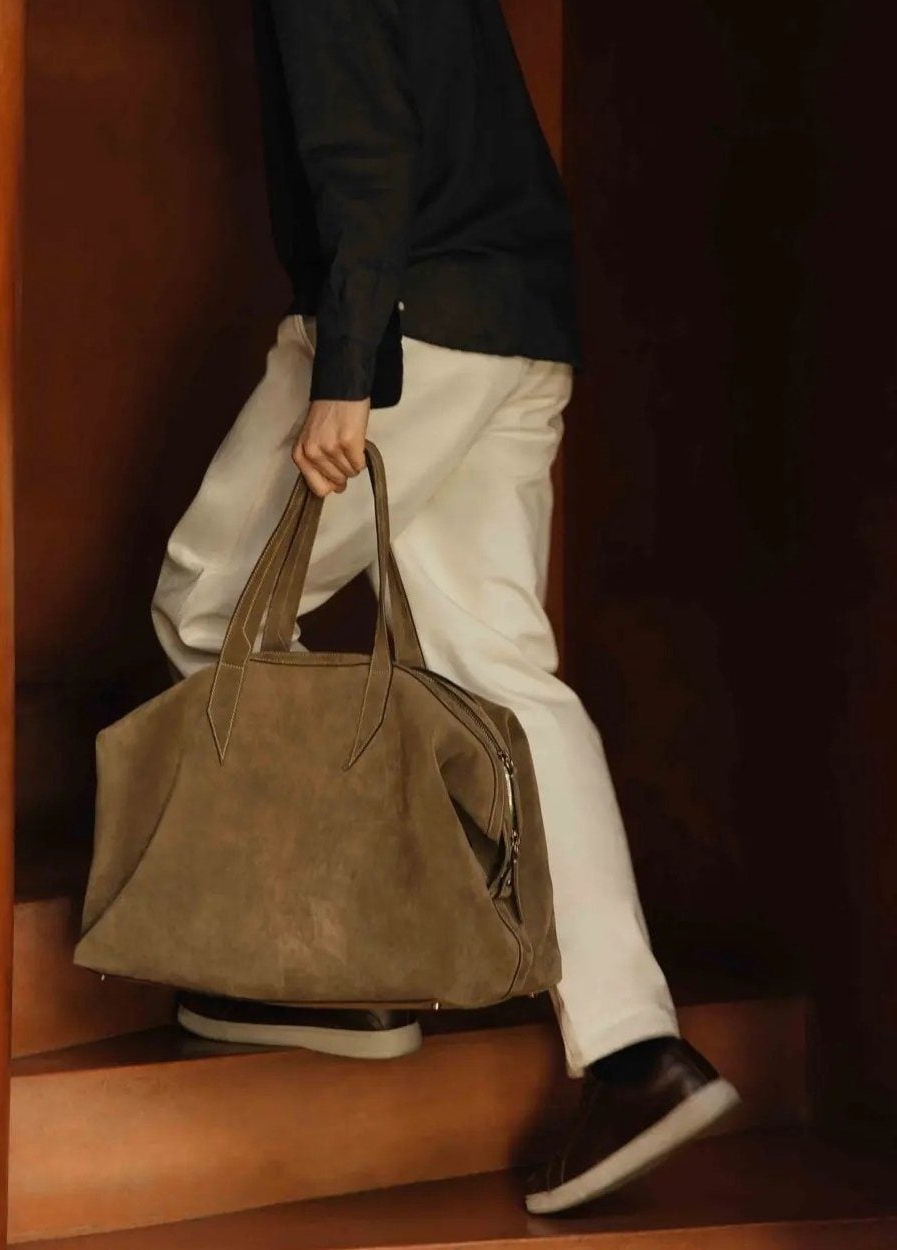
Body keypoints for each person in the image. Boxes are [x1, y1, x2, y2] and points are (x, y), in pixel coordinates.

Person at [151, 0, 739, 1216]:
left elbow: (366, 152)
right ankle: (635, 1051)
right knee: (503, 678)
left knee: (208, 606)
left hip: (406, 326)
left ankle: (325, 967)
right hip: (518, 323)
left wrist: (348, 370)